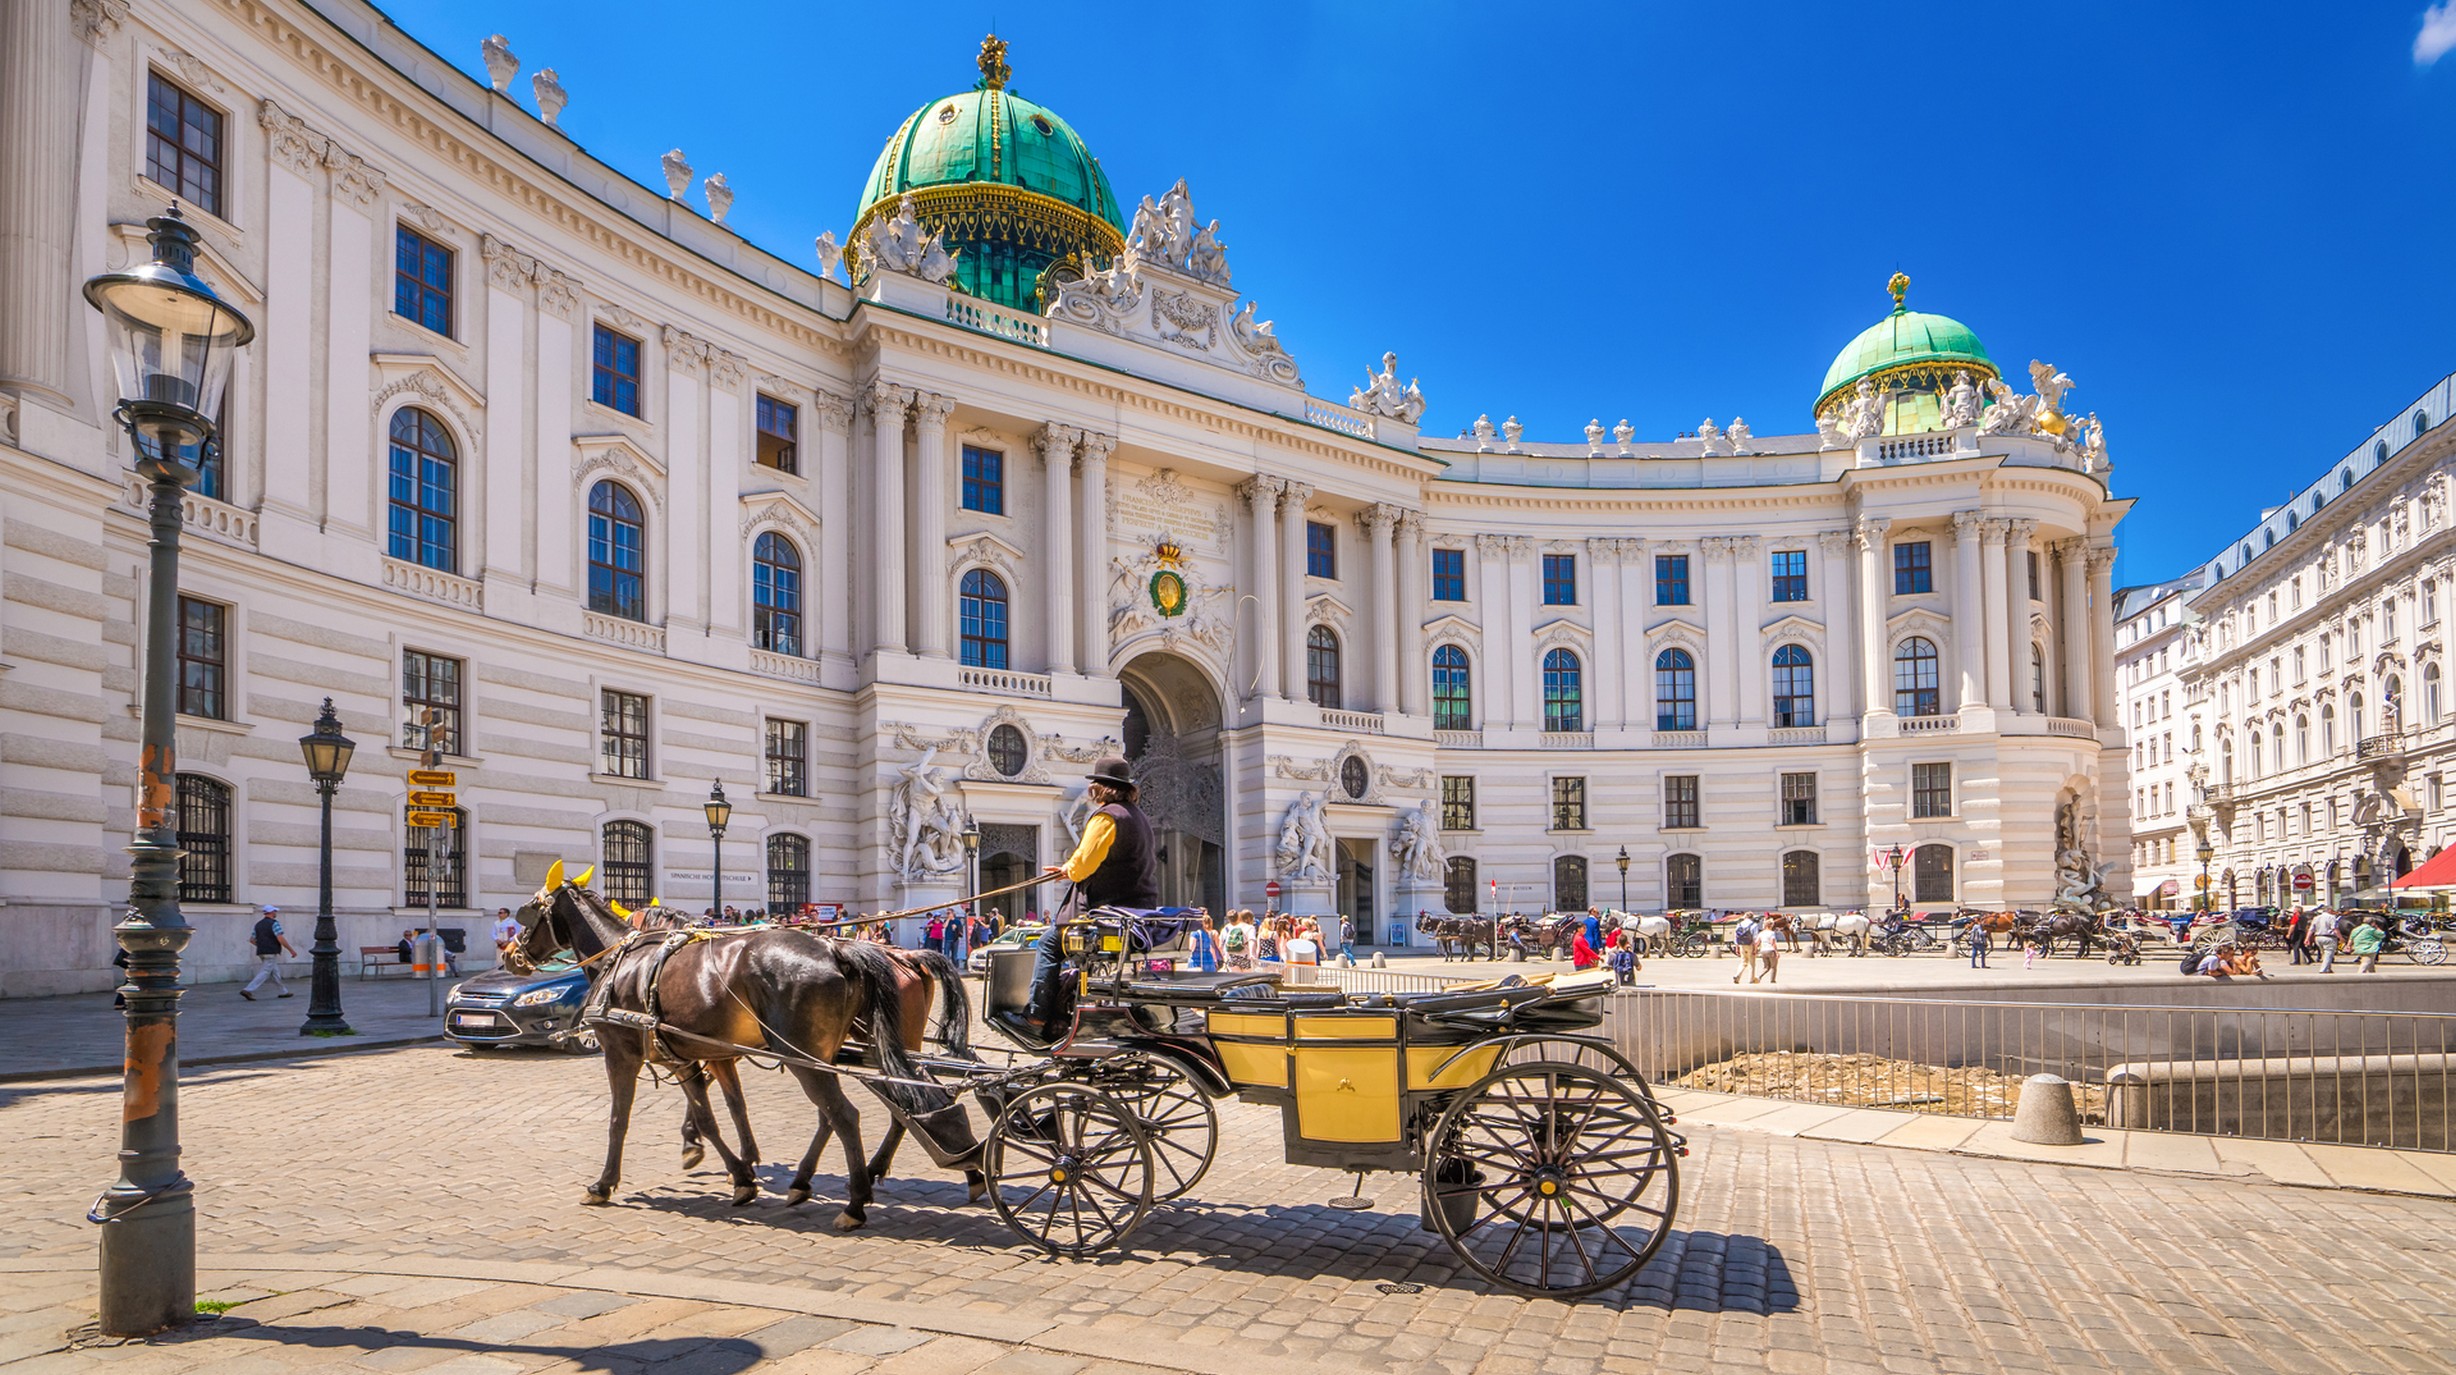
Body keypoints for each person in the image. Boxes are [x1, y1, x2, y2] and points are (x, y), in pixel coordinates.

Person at [1022, 757, 1158, 1039]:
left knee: (1049, 944)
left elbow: (1083, 864)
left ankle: (1036, 1016)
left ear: (1101, 788)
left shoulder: (1107, 817)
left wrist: (1068, 870)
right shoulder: (1138, 817)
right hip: (1137, 911)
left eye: (1093, 785)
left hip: (1106, 914)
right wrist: (1067, 870)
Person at [241, 905, 296, 1000]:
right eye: (274, 911)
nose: (275, 913)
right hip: (271, 951)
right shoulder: (274, 923)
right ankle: (248, 989)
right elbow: (280, 938)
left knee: (275, 971)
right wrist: (291, 950)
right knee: (265, 971)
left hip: (261, 951)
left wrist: (262, 945)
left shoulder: (258, 924)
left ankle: (284, 991)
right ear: (271, 912)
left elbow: (252, 940)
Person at [1731, 913, 1762, 985]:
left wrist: (1737, 947)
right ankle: (1751, 979)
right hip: (1750, 945)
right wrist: (1755, 949)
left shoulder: (1739, 924)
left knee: (1743, 962)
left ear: (1745, 917)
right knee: (1752, 963)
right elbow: (1755, 938)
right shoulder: (1754, 925)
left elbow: (1736, 936)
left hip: (1742, 944)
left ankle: (1737, 975)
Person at [2312, 907, 2341, 973]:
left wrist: (2307, 938)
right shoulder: (2332, 917)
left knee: (2324, 954)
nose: (2333, 912)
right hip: (2329, 937)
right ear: (2329, 910)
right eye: (2333, 910)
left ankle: (2328, 969)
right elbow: (2334, 929)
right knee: (2329, 953)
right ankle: (2323, 969)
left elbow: (2311, 929)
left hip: (2318, 937)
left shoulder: (2316, 918)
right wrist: (2340, 938)